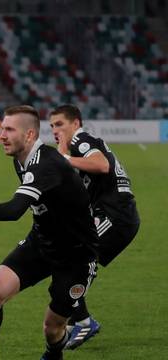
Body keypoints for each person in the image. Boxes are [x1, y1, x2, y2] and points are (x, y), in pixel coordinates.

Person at [0, 105, 99, 360]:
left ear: (29, 135)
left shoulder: (45, 164)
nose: (1, 135)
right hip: (41, 243)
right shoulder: (21, 159)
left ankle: (53, 354)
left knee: (52, 329)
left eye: (9, 129)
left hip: (76, 256)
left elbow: (14, 210)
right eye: (2, 128)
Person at [49, 104, 140, 350]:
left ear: (75, 123)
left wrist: (65, 157)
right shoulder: (77, 144)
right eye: (52, 126)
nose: (55, 130)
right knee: (64, 258)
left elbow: (102, 166)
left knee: (71, 260)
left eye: (60, 124)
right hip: (112, 215)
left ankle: (84, 321)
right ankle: (77, 317)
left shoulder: (82, 138)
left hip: (116, 216)